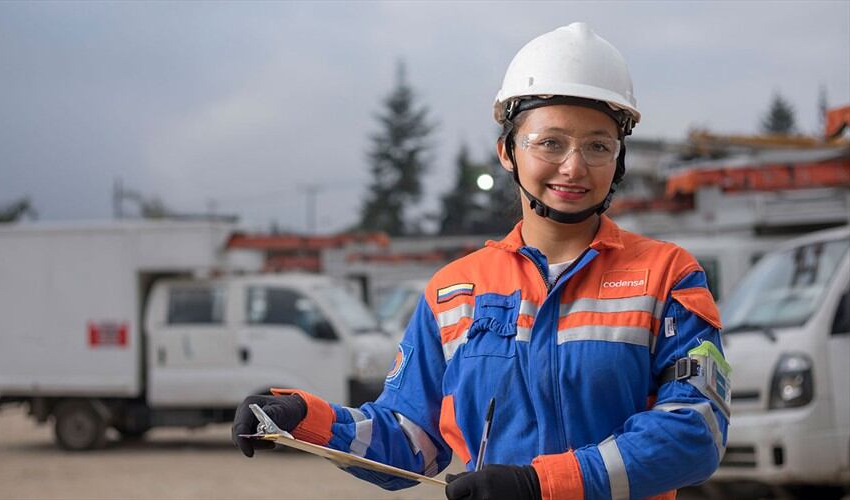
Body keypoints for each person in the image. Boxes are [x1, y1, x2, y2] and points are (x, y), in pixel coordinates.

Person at [233, 22, 730, 500]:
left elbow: (695, 431)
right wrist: (304, 418)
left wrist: (541, 486)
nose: (574, 166)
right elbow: (409, 441)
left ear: (618, 159)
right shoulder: (454, 291)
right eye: (550, 142)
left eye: (598, 146)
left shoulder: (668, 276)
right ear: (508, 152)